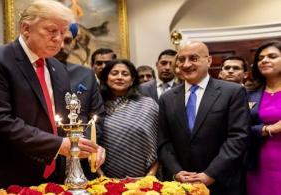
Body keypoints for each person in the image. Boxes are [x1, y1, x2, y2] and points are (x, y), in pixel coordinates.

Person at [0, 1, 105, 193]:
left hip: (41, 172)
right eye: (51, 30)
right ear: (26, 28)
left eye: (63, 32)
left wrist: (84, 144)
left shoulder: (58, 68)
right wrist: (60, 145)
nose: (59, 39)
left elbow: (60, 120)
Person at [158, 41, 249, 195]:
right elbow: (164, 141)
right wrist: (176, 172)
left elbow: (238, 137)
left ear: (209, 60)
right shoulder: (167, 98)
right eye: (181, 59)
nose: (186, 65)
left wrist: (211, 174)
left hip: (222, 183)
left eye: (193, 58)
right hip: (179, 186)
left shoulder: (232, 92)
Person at [54, 23, 105, 179]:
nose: (62, 46)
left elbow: (97, 116)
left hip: (81, 157)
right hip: (45, 155)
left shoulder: (85, 74)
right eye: (58, 39)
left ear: (75, 42)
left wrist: (82, 142)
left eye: (68, 40)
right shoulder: (34, 71)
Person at [98, 59, 159, 178]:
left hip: (146, 178)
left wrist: (150, 176)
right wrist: (101, 177)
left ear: (132, 81)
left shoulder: (148, 105)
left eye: (125, 74)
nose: (120, 77)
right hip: (103, 179)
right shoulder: (97, 105)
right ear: (106, 78)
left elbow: (160, 142)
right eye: (114, 73)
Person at [246, 40, 281, 195]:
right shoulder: (248, 93)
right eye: (260, 58)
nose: (265, 60)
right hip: (259, 163)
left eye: (272, 56)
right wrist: (268, 129)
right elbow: (240, 129)